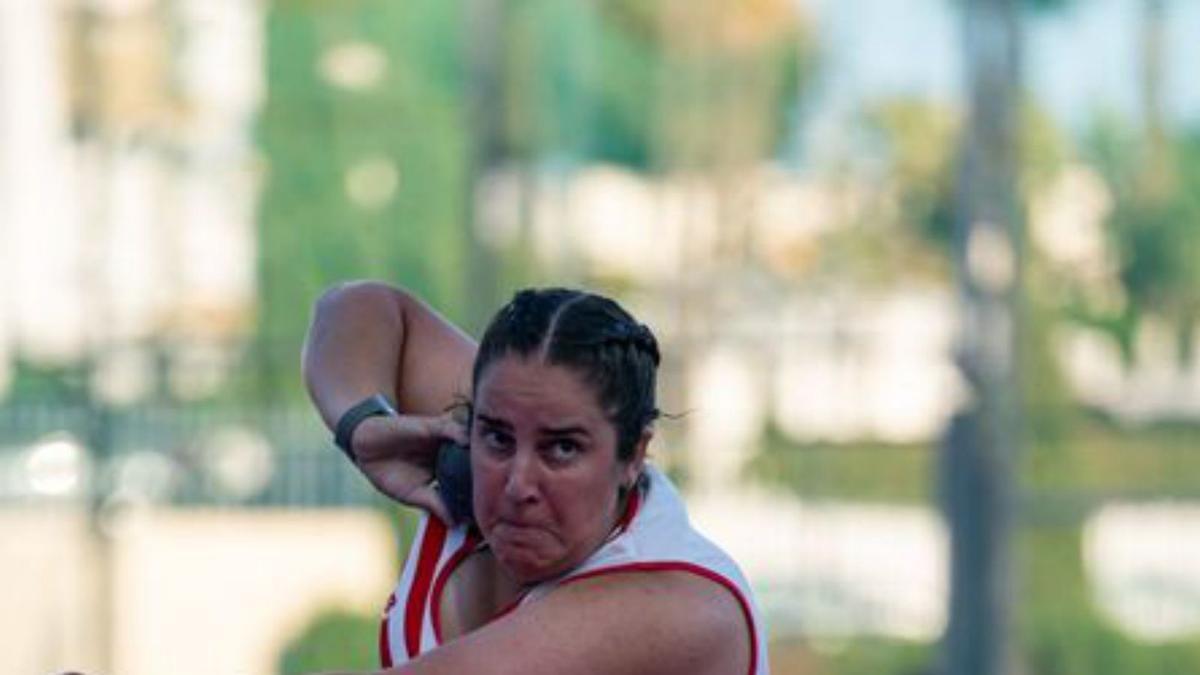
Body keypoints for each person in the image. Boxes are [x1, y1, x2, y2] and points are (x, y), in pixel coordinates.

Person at [302, 281, 768, 675]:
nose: (518, 484)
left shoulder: (678, 605)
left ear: (634, 454)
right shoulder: (512, 409)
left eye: (562, 448)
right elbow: (358, 307)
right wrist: (361, 422)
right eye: (498, 438)